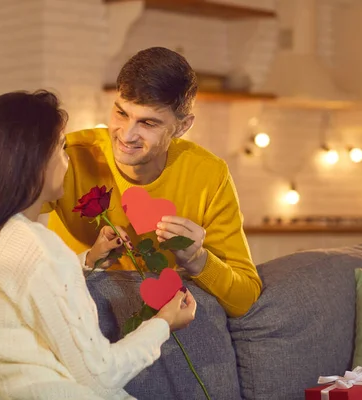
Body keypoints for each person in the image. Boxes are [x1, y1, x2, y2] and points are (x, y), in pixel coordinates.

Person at [0, 90, 196, 400]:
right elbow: (101, 377)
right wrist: (164, 323)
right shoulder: (36, 246)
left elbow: (22, 296)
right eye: (61, 149)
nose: (67, 162)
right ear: (35, 161)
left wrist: (88, 261)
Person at [41, 47, 262, 318]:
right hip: (75, 312)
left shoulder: (209, 176)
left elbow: (245, 299)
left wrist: (197, 259)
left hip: (162, 324)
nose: (127, 135)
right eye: (121, 113)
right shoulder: (68, 156)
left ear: (182, 127)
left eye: (147, 123)